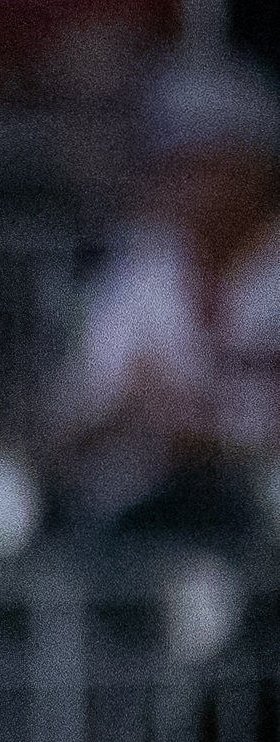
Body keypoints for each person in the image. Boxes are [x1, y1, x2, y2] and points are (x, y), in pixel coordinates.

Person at [51, 54, 280, 536]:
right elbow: (71, 423)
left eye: (207, 164)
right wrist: (127, 408)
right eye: (175, 166)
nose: (187, 185)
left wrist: (211, 434)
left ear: (257, 168)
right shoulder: (141, 271)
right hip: (159, 512)